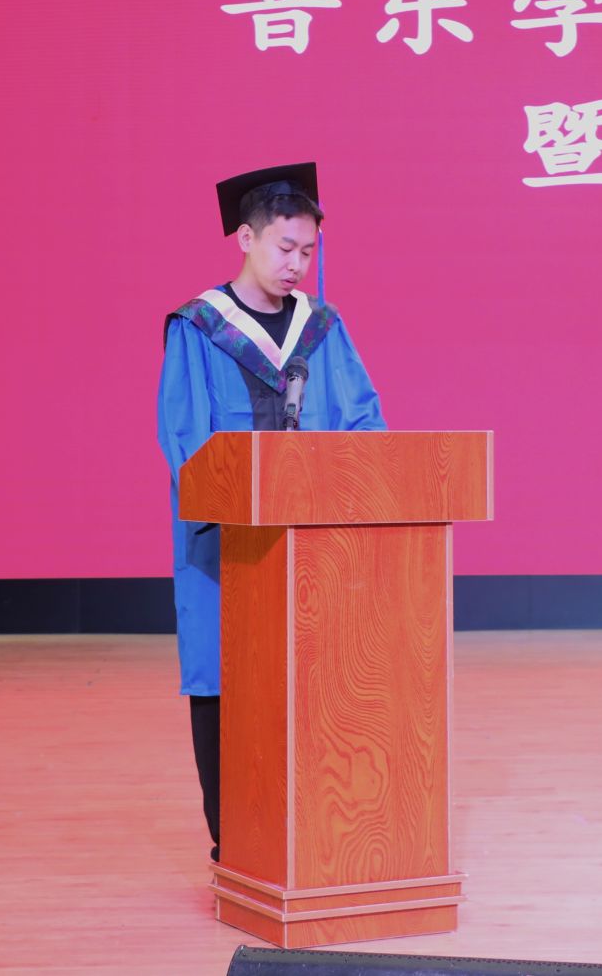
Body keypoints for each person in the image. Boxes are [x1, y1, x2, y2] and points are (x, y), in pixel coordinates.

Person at [155, 163, 386, 861]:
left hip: (317, 548)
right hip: (227, 551)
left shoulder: (323, 329)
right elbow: (185, 439)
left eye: (308, 251)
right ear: (247, 239)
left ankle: (316, 832)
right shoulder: (199, 327)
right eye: (285, 247)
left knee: (320, 683)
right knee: (226, 678)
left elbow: (362, 423)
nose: (297, 264)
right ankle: (239, 842)